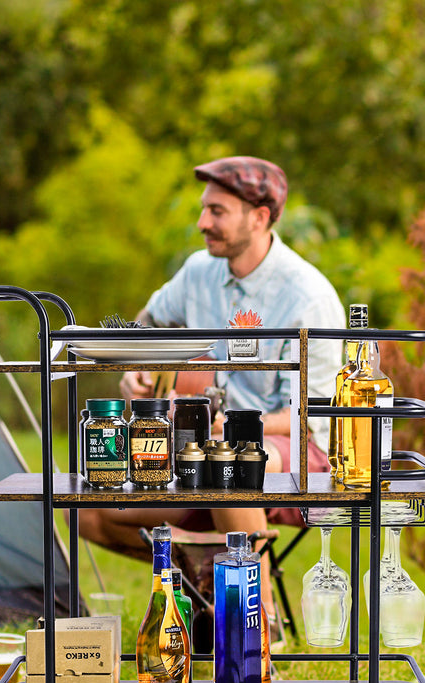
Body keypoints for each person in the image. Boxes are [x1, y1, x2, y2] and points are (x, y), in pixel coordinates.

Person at [78, 156, 345, 623]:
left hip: (296, 452)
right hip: (197, 450)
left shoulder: (308, 297)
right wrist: (137, 369)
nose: (202, 222)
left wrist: (232, 429)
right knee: (88, 511)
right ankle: (204, 578)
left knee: (229, 462)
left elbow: (310, 415)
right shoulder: (197, 272)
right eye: (204, 209)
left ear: (259, 217)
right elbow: (145, 326)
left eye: (217, 212)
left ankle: (252, 621)